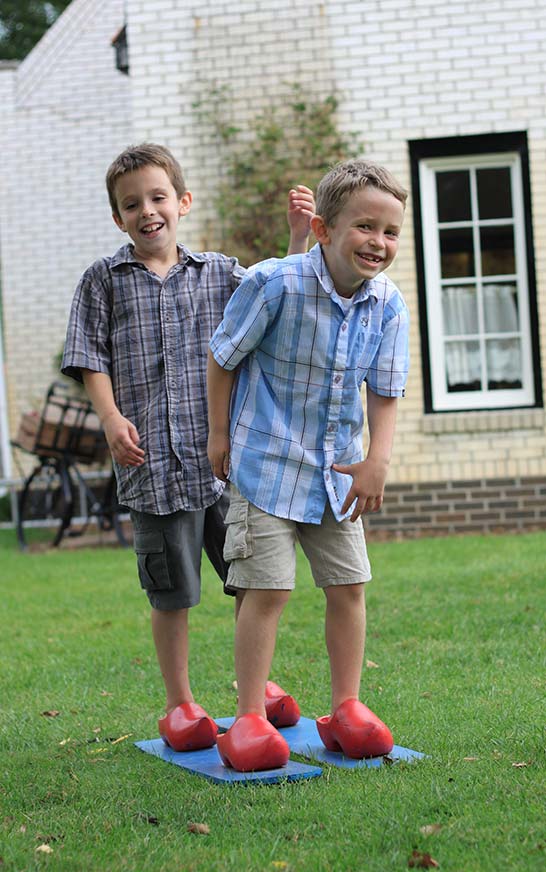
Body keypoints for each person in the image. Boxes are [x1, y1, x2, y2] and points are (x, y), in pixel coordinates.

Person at [62, 143, 314, 753]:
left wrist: (299, 241)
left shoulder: (222, 273)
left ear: (183, 202)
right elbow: (90, 357)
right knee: (171, 591)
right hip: (152, 468)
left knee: (249, 583)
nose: (147, 211)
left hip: (229, 468)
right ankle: (179, 704)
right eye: (131, 204)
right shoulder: (103, 280)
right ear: (117, 217)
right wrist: (112, 417)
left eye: (157, 198)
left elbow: (276, 303)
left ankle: (255, 687)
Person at [207, 159, 410, 772]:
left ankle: (346, 707)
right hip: (266, 464)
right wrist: (218, 434)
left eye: (391, 231)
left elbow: (387, 389)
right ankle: (248, 716)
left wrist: (377, 459)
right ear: (322, 229)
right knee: (267, 590)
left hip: (337, 475)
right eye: (364, 227)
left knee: (349, 588)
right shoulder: (276, 283)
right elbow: (223, 358)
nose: (378, 242)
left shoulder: (388, 303)